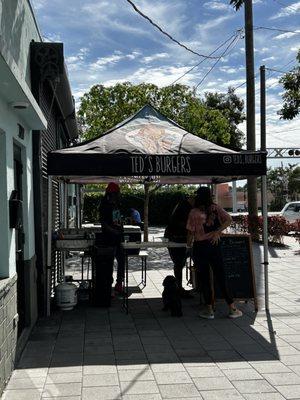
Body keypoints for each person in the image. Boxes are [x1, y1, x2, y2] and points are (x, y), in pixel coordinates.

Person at [186, 186, 243, 319]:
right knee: (221, 276)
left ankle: (209, 310)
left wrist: (189, 245)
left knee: (205, 279)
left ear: (198, 197)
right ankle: (232, 308)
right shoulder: (216, 208)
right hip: (214, 244)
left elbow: (190, 232)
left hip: (200, 247)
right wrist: (217, 232)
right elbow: (229, 219)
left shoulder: (193, 212)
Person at [164, 195, 195, 298]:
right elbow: (182, 224)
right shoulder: (184, 207)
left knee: (179, 264)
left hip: (175, 238)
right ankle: (178, 289)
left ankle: (179, 288)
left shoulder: (182, 205)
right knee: (179, 264)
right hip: (177, 239)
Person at [99, 182, 125, 294]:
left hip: (118, 239)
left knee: (122, 261)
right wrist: (114, 231)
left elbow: (117, 220)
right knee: (109, 264)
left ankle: (119, 284)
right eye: (117, 193)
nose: (119, 195)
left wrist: (120, 227)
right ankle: (108, 288)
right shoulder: (104, 206)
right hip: (109, 240)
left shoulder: (116, 204)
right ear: (112, 194)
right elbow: (103, 224)